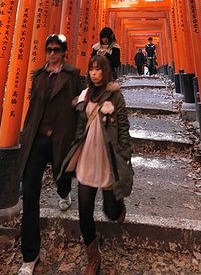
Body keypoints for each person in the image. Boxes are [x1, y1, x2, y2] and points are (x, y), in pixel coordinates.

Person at [60, 55, 133, 275]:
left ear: (106, 71)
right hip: (87, 158)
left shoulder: (116, 96)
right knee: (84, 211)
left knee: (110, 212)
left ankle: (118, 207)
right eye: (91, 69)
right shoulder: (84, 95)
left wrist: (125, 153)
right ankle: (93, 256)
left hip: (107, 158)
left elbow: (123, 127)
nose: (94, 73)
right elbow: (78, 126)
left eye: (98, 69)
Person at [18, 34, 84, 275]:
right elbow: (33, 106)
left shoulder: (73, 74)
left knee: (62, 174)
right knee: (30, 193)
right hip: (36, 139)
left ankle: (64, 192)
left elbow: (81, 107)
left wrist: (78, 134)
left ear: (64, 52)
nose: (52, 54)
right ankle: (30, 255)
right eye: (49, 50)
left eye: (57, 50)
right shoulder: (38, 75)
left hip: (60, 136)